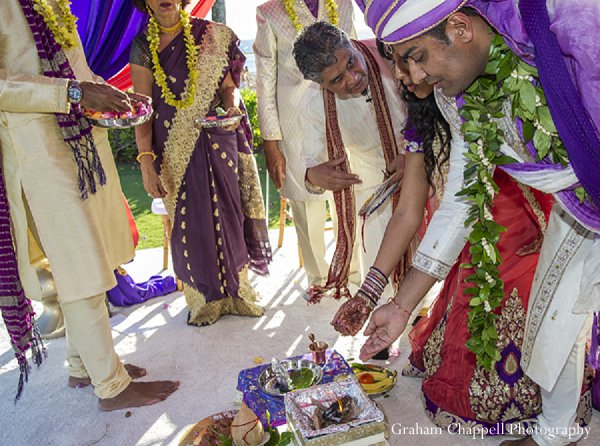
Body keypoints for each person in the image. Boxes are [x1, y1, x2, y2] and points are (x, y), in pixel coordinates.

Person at [356, 1, 600, 445]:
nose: (412, 78)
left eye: (416, 56)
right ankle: (553, 435)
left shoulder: (570, 32)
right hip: (580, 202)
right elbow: (460, 205)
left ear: (460, 27)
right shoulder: (460, 98)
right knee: (552, 312)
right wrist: (401, 306)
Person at [0, 0, 179, 410]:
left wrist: (104, 91)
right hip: (37, 148)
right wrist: (76, 92)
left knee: (90, 253)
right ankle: (111, 387)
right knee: (77, 260)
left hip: (80, 138)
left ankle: (84, 364)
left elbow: (74, 66)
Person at [130, 0, 272, 326]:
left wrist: (233, 108)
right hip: (171, 149)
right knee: (189, 222)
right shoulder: (142, 47)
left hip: (218, 137)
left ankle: (239, 294)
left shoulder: (213, 36)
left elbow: (228, 89)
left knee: (230, 217)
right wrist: (146, 161)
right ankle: (202, 300)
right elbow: (142, 108)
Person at [292, 23, 417, 309]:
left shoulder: (389, 52)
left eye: (351, 62)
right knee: (378, 248)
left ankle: (431, 315)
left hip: (429, 154)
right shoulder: (312, 102)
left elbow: (437, 103)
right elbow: (308, 163)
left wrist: (413, 156)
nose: (353, 77)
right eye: (337, 80)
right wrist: (314, 174)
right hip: (373, 175)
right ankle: (385, 319)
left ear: (350, 43)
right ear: (320, 85)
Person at [254, 0, 356, 287]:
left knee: (349, 191)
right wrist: (271, 143)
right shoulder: (269, 12)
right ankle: (319, 280)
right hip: (295, 121)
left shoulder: (343, 4)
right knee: (306, 200)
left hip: (343, 110)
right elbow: (264, 81)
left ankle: (354, 275)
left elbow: (358, 56)